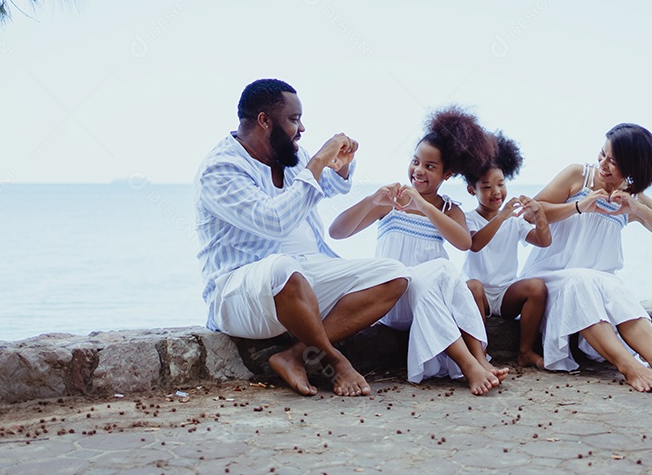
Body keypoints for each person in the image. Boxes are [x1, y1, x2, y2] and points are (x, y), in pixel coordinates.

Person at [193, 79, 409, 397]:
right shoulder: (221, 169)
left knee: (394, 275)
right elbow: (275, 221)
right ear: (265, 120)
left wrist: (339, 166)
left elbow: (328, 187)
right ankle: (335, 361)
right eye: (294, 119)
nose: (302, 127)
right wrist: (318, 161)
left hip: (303, 278)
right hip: (239, 293)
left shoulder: (288, 156)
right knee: (282, 267)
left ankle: (294, 355)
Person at [329, 107, 510, 395]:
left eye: (430, 166)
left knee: (452, 279)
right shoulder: (391, 201)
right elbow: (337, 232)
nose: (419, 171)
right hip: (395, 299)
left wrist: (424, 206)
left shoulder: (449, 209)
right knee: (437, 271)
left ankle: (479, 359)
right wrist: (371, 200)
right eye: (415, 162)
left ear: (446, 173)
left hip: (432, 298)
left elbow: (464, 242)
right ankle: (470, 365)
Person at [521, 123, 652, 394]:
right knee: (581, 280)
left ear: (633, 167)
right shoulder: (578, 176)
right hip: (550, 278)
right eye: (602, 154)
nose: (603, 164)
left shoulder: (632, 198)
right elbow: (530, 213)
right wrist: (579, 206)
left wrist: (638, 209)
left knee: (615, 288)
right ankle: (630, 367)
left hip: (598, 283)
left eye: (613, 162)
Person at [462, 131, 550, 368]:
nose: (496, 192)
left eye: (501, 184)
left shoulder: (514, 220)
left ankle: (525, 351)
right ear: (472, 190)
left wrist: (539, 213)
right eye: (487, 187)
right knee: (473, 286)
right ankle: (480, 354)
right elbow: (476, 243)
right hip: (478, 295)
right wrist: (501, 216)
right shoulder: (468, 218)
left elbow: (544, 241)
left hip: (506, 293)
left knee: (537, 287)